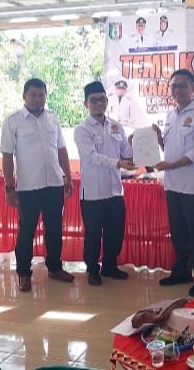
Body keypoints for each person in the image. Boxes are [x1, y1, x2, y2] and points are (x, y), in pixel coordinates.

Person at [0, 78, 75, 293]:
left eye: (41, 95)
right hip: (28, 188)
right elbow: (7, 155)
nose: (37, 99)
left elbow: (61, 150)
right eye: (33, 95)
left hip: (54, 184)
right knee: (26, 232)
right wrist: (9, 187)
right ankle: (24, 273)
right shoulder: (13, 121)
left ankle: (55, 268)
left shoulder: (52, 118)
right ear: (24, 96)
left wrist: (68, 177)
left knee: (54, 230)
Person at [153, 69, 194, 297]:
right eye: (174, 86)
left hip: (191, 186)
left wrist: (169, 166)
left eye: (182, 85)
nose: (177, 90)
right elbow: (169, 149)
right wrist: (158, 140)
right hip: (172, 185)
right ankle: (182, 272)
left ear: (192, 89)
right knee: (179, 232)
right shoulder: (171, 116)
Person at [74, 81, 136, 286]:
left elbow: (126, 152)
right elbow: (91, 156)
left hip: (115, 191)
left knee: (115, 232)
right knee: (93, 234)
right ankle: (93, 269)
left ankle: (110, 266)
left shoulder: (116, 126)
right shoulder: (82, 130)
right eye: (93, 100)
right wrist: (118, 163)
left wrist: (135, 144)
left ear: (107, 101)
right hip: (93, 193)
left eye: (102, 99)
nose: (98, 104)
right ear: (86, 104)